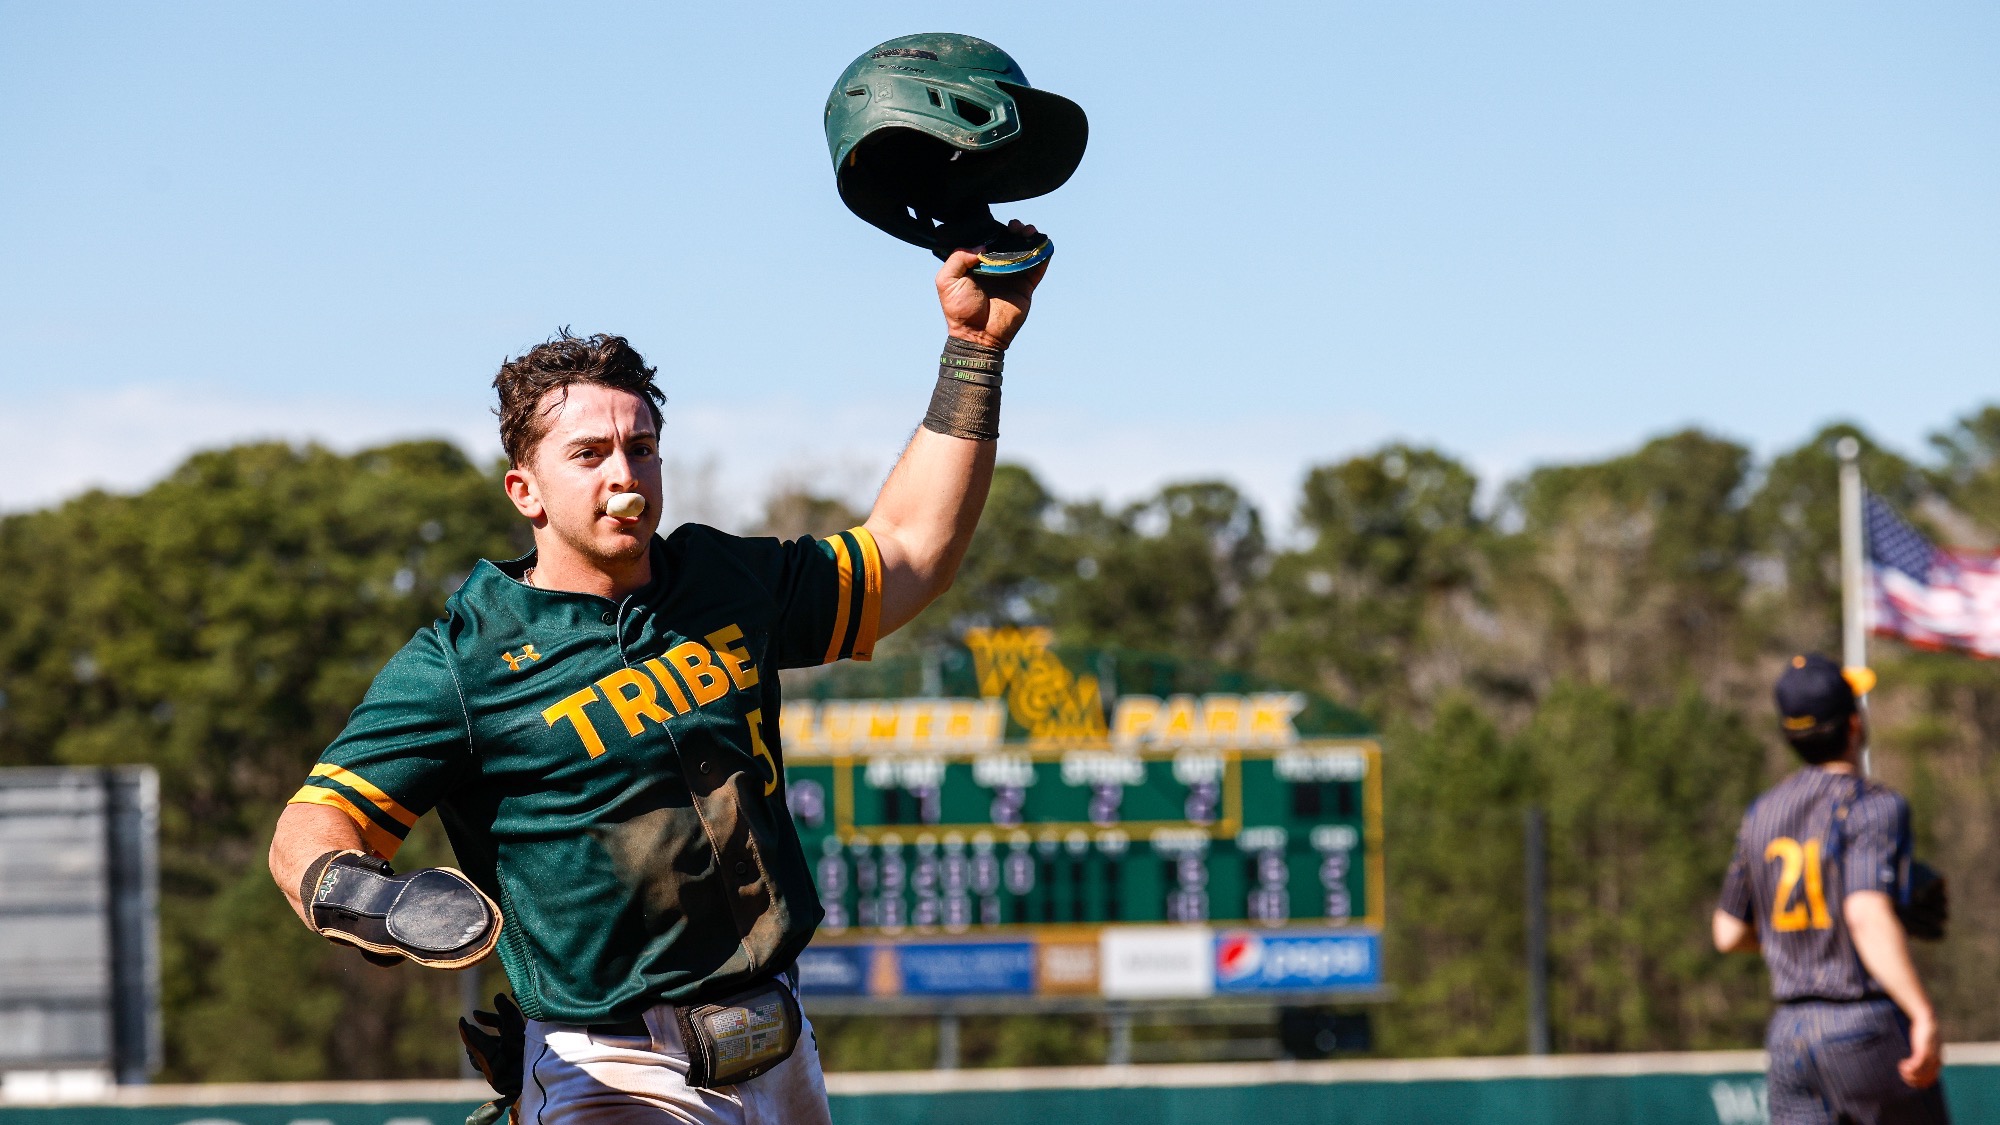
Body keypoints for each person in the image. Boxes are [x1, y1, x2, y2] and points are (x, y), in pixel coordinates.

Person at [266, 226, 1048, 1124]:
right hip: (612, 1068)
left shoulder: (724, 584)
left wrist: (975, 352)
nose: (623, 474)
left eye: (641, 447)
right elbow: (306, 830)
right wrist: (372, 899)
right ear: (525, 490)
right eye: (589, 454)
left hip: (779, 1041)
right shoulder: (464, 660)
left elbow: (910, 552)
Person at [1713, 653, 1947, 1125]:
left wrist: (1799, 938)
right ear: (1854, 725)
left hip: (1789, 1035)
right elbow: (1864, 912)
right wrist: (1921, 1012)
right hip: (1863, 1024)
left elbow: (1728, 933)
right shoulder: (1873, 806)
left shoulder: (1763, 812)